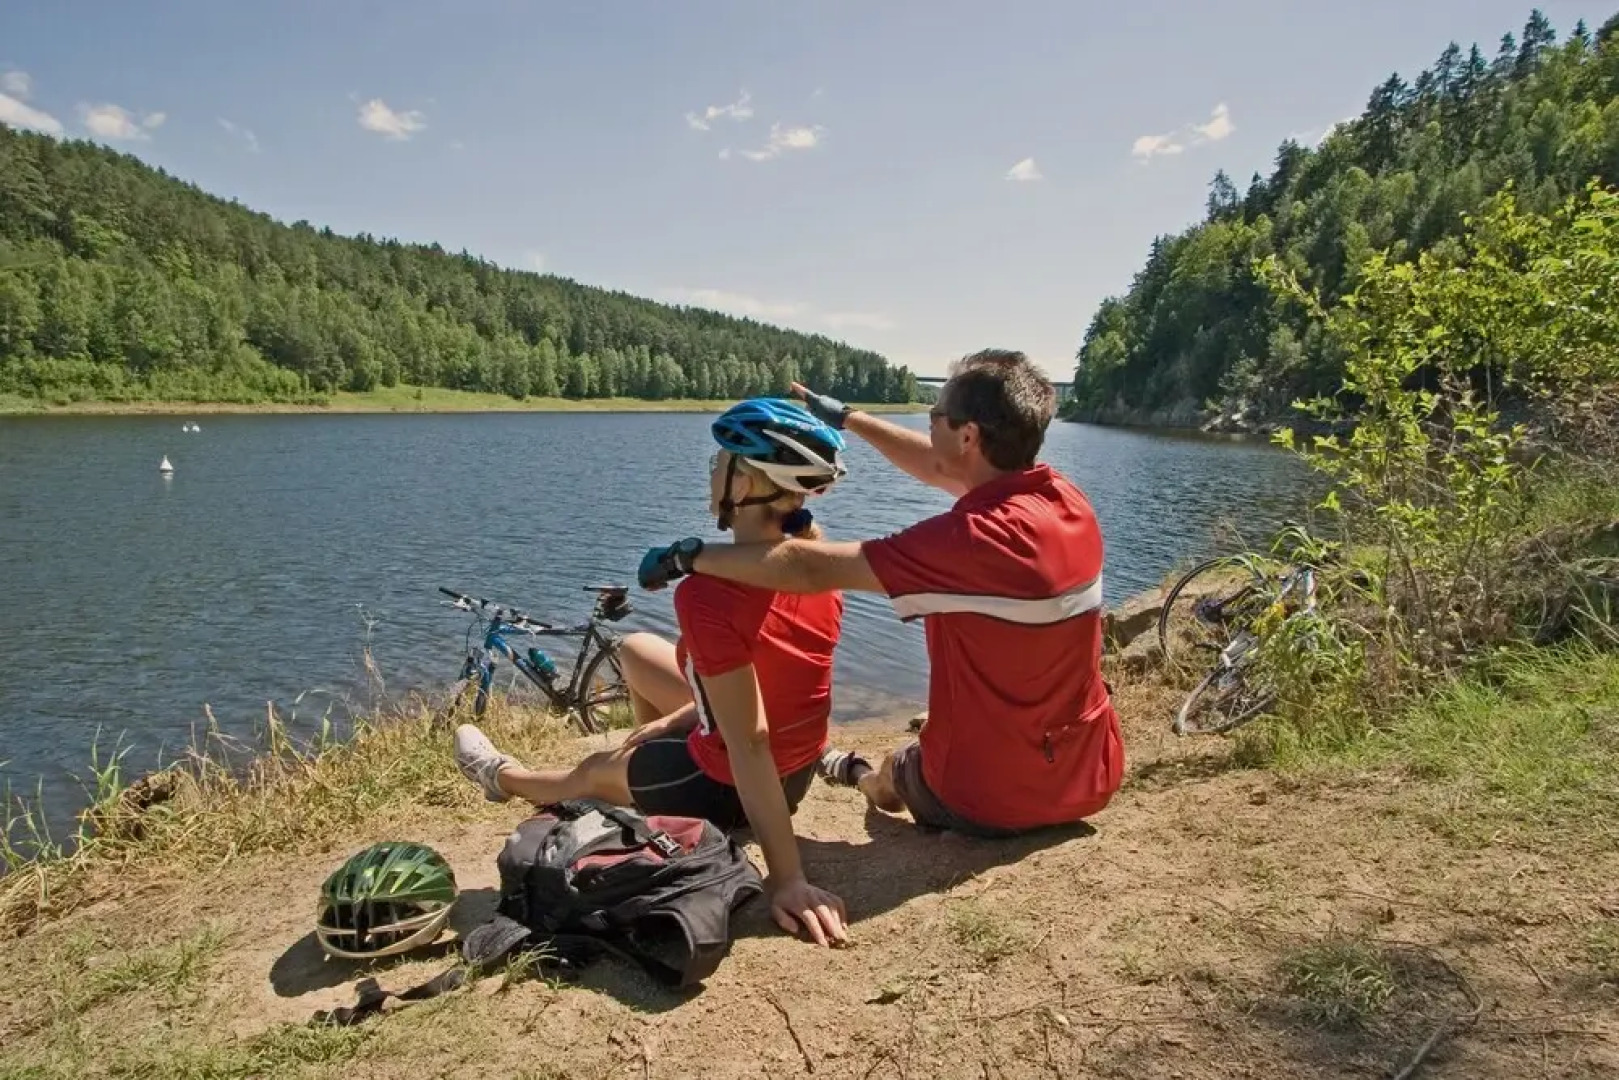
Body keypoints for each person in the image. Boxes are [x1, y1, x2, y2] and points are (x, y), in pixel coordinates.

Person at [639, 350, 1124, 839]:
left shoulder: (971, 541)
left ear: (967, 436)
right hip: (1088, 776)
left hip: (989, 798)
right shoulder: (1065, 500)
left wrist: (689, 557)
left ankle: (867, 780)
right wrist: (847, 418)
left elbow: (809, 569)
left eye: (934, 415)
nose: (927, 424)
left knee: (899, 766)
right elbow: (940, 468)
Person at [453, 398, 852, 946]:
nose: (712, 470)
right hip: (797, 772)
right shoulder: (817, 565)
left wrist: (789, 879)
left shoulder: (706, 594)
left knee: (592, 770)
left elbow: (751, 742)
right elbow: (775, 680)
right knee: (638, 648)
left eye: (722, 460)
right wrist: (678, 720)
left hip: (729, 784)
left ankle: (501, 777)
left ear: (749, 483)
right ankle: (642, 778)